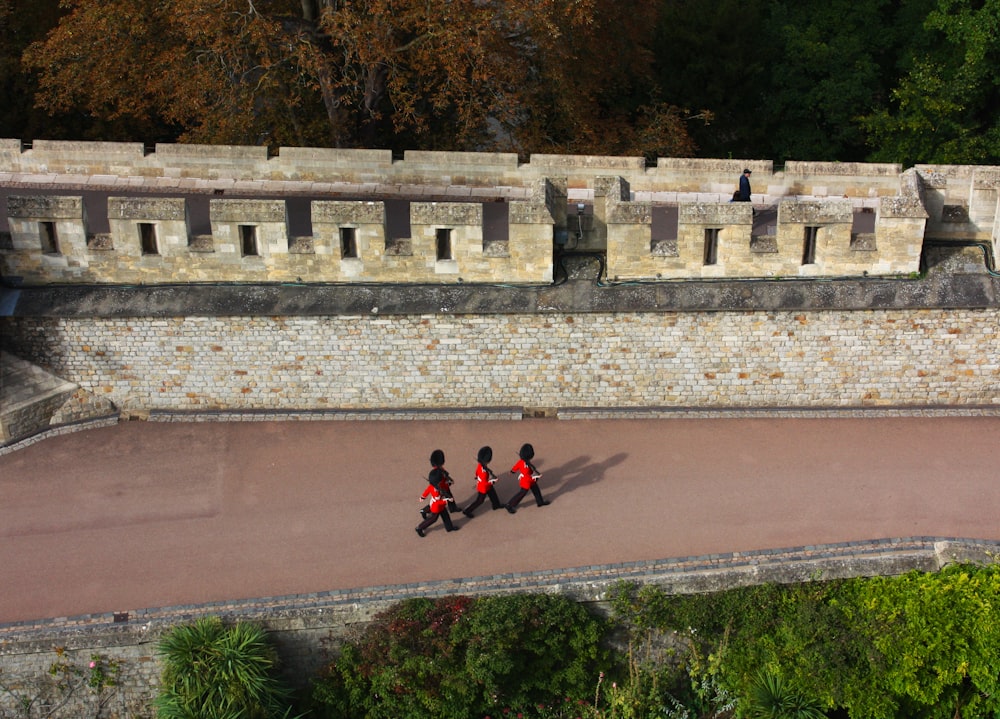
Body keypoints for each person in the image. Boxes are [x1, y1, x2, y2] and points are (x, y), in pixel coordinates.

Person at [504, 443, 550, 513]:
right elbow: (527, 475)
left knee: (536, 490)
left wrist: (512, 472)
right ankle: (509, 504)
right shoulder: (525, 463)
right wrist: (536, 476)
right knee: (522, 493)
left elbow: (515, 468)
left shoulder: (522, 461)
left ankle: (540, 502)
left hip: (529, 480)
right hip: (526, 481)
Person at [416, 468, 459, 536]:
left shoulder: (433, 485)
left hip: (440, 506)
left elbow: (427, 491)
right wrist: (447, 500)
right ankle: (420, 527)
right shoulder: (436, 492)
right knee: (433, 519)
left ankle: (449, 528)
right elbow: (438, 502)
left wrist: (423, 497)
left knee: (446, 516)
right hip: (436, 507)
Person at [463, 446, 503, 517]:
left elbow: (477, 473)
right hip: (483, 488)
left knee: (493, 495)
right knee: (480, 501)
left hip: (485, 485)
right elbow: (485, 484)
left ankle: (496, 505)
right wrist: (493, 481)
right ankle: (467, 510)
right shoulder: (483, 471)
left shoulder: (480, 465)